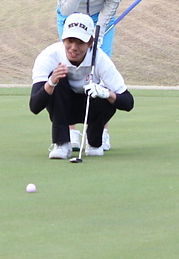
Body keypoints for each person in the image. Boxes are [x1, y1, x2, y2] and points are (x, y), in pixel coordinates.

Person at [50, 0, 122, 151]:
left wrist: (98, 31)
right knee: (69, 68)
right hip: (69, 16)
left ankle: (101, 130)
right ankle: (71, 131)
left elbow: (113, 0)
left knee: (99, 71)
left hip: (100, 17)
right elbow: (66, 7)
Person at [29, 13, 133, 160]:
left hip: (91, 108)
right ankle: (62, 143)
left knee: (103, 93)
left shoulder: (101, 59)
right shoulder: (49, 56)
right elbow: (35, 105)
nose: (73, 47)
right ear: (63, 39)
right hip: (63, 108)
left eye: (80, 42)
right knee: (58, 79)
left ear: (90, 42)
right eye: (70, 41)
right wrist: (51, 82)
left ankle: (94, 142)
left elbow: (128, 102)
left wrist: (107, 93)